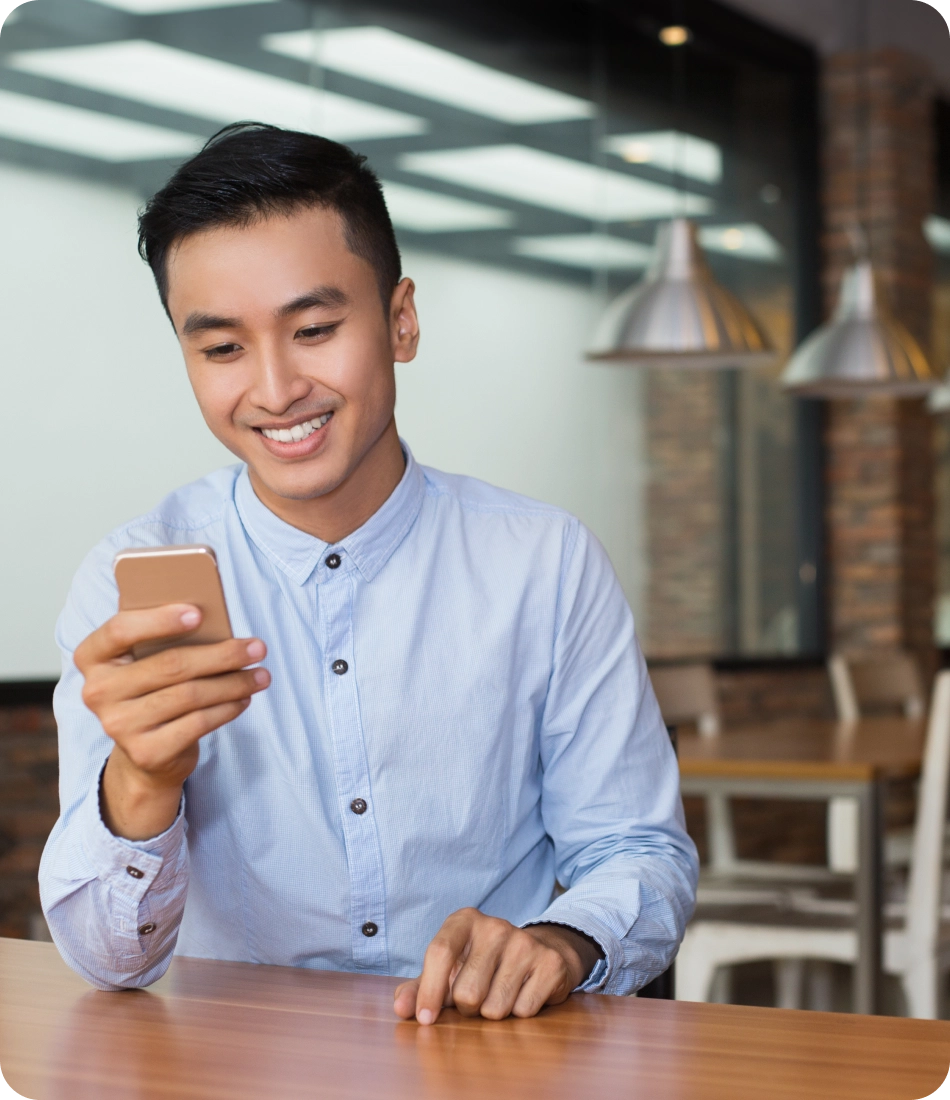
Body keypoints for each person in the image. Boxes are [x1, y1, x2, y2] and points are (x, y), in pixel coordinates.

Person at [39, 123, 698, 1024]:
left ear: (400, 320)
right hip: (239, 1072)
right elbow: (106, 965)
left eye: (313, 328)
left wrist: (561, 940)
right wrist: (144, 785)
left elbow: (638, 850)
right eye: (222, 348)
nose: (274, 389)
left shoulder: (543, 562)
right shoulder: (124, 579)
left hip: (493, 1064)